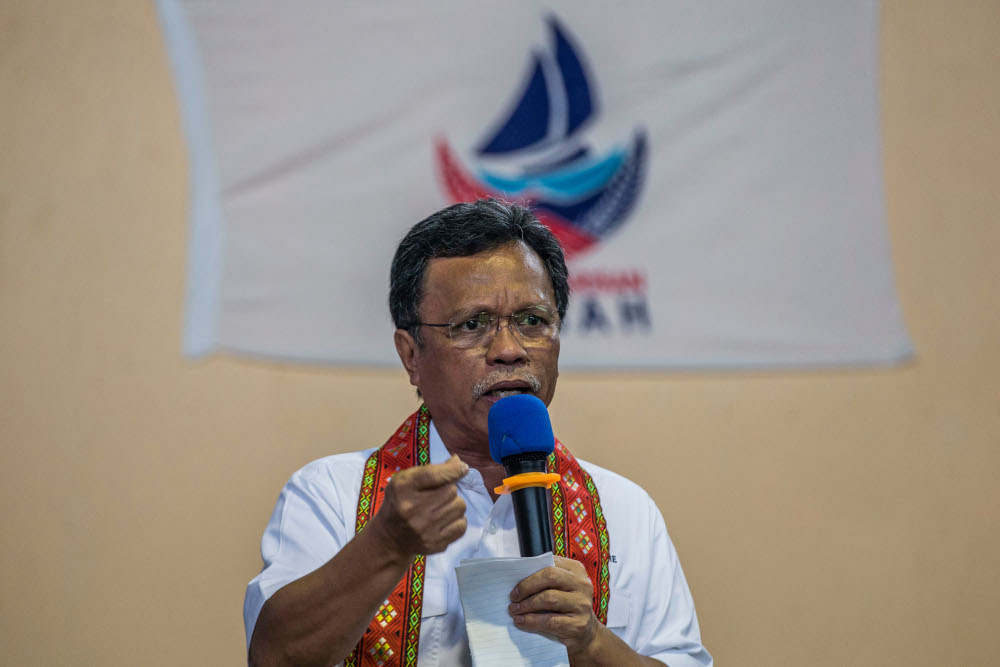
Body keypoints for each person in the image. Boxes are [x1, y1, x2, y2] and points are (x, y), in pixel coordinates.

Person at [243, 199, 712, 666]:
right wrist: (387, 545)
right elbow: (274, 660)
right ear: (411, 356)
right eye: (472, 324)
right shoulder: (332, 495)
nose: (509, 350)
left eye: (532, 321)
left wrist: (591, 642)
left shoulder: (623, 509)